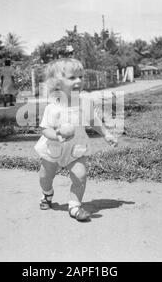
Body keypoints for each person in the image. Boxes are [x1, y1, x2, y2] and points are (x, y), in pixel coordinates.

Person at [34, 58, 118, 222]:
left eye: (81, 76)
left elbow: (93, 121)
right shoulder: (53, 107)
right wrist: (57, 136)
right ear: (57, 83)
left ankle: (74, 206)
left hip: (76, 149)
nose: (79, 80)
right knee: (45, 177)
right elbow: (45, 129)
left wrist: (106, 134)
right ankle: (47, 194)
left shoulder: (84, 103)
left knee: (80, 177)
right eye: (72, 78)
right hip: (54, 149)